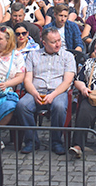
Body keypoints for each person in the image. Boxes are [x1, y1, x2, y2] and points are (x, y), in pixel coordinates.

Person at [16, 26, 76, 155]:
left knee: (59, 106)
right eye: (53, 42)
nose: (57, 44)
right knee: (22, 105)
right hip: (36, 90)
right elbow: (27, 80)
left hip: (57, 91)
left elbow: (67, 81)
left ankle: (56, 141)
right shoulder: (33, 55)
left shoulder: (68, 56)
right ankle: (31, 141)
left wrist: (53, 95)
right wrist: (34, 93)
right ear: (44, 43)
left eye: (59, 40)